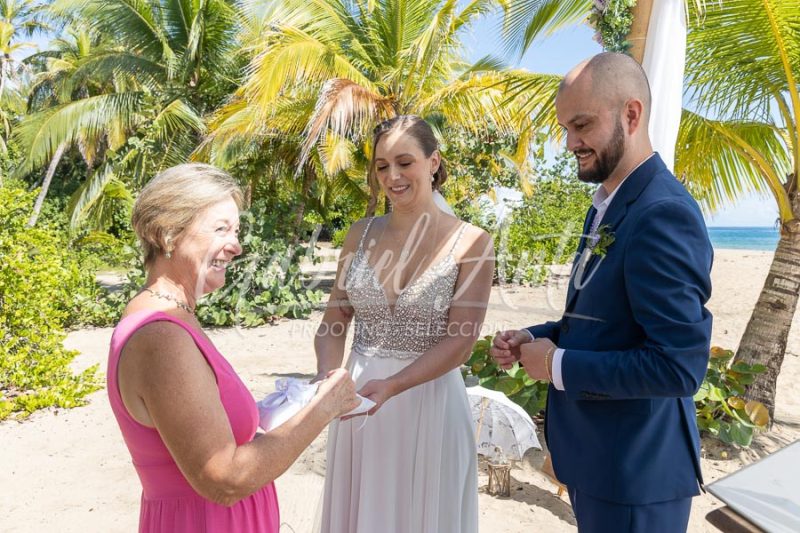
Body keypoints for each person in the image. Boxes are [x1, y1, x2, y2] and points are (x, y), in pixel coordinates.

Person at [491, 52, 713, 532]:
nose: (571, 143)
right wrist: (532, 336)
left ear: (631, 115)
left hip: (636, 476)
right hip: (600, 466)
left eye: (582, 125)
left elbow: (678, 366)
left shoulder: (662, 213)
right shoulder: (605, 206)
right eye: (566, 128)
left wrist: (556, 364)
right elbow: (604, 321)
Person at [107, 163, 359, 532]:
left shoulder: (173, 317)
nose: (236, 246)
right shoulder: (162, 338)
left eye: (236, 230)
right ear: (167, 234)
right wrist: (323, 409)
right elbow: (224, 479)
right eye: (220, 229)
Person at [315, 115, 494, 533]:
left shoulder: (472, 242)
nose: (392, 176)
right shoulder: (357, 235)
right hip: (356, 404)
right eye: (381, 166)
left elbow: (460, 343)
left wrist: (395, 385)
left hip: (427, 404)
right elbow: (335, 317)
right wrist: (328, 376)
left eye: (404, 162)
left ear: (433, 162)